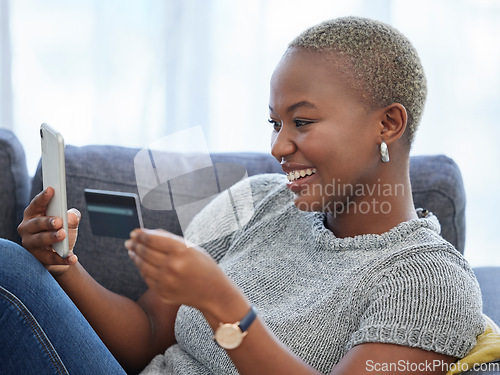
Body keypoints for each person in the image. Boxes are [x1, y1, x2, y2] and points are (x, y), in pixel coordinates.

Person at [1, 16, 485, 375]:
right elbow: (147, 333)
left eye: (303, 121)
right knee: (15, 264)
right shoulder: (257, 199)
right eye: (275, 123)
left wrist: (223, 305)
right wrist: (65, 266)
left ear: (388, 123)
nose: (277, 146)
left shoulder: (430, 282)